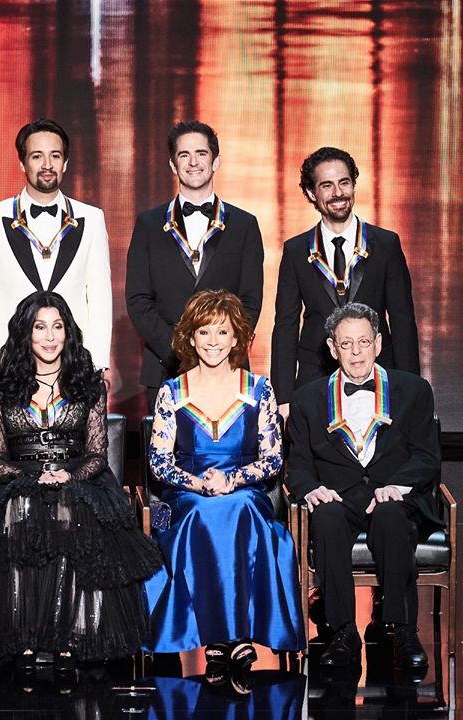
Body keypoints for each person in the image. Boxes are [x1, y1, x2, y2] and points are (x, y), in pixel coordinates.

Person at [0, 291, 161, 670]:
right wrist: (30, 477)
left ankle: (70, 637)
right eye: (40, 327)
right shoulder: (0, 387)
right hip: (20, 478)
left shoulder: (90, 384)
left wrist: (68, 474)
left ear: (68, 332)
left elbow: (97, 454)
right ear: (25, 333)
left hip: (78, 475)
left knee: (73, 508)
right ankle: (25, 636)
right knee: (21, 507)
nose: (49, 337)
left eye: (58, 327)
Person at [144, 290, 305, 684]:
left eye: (222, 331)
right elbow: (159, 462)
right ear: (190, 337)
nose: (213, 341)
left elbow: (272, 459)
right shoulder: (172, 391)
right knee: (204, 512)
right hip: (186, 495)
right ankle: (222, 640)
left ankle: (231, 639)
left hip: (245, 490)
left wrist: (232, 480)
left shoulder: (259, 389)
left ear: (237, 338)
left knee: (239, 507)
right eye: (204, 331)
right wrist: (198, 483)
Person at [286, 302, 441, 670]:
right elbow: (298, 464)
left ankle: (403, 631)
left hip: (394, 495)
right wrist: (311, 489)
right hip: (339, 495)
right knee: (326, 518)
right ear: (332, 348)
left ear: (378, 344)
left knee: (390, 516)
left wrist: (398, 486)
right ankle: (342, 633)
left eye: (363, 342)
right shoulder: (307, 397)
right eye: (346, 344)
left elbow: (427, 457)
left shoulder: (414, 390)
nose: (356, 353)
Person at [271, 147, 419, 420]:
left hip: (378, 373)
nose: (338, 193)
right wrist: (284, 396)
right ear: (311, 193)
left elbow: (402, 320)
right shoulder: (295, 250)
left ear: (353, 185)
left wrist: (410, 388)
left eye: (344, 182)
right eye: (327, 185)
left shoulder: (386, 244)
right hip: (315, 376)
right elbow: (286, 325)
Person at [126, 120, 264, 411]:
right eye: (184, 155)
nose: (193, 162)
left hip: (229, 368)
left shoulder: (244, 225)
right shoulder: (148, 224)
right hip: (165, 366)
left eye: (201, 153)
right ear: (172, 165)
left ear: (216, 161)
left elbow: (251, 299)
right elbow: (138, 299)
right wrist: (179, 349)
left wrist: (221, 346)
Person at [0, 119, 112, 397]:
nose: (47, 164)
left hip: (74, 364)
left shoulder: (92, 218)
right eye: (37, 156)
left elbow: (99, 297)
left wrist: (96, 364)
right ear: (22, 163)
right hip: (9, 365)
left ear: (65, 163)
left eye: (55, 156)